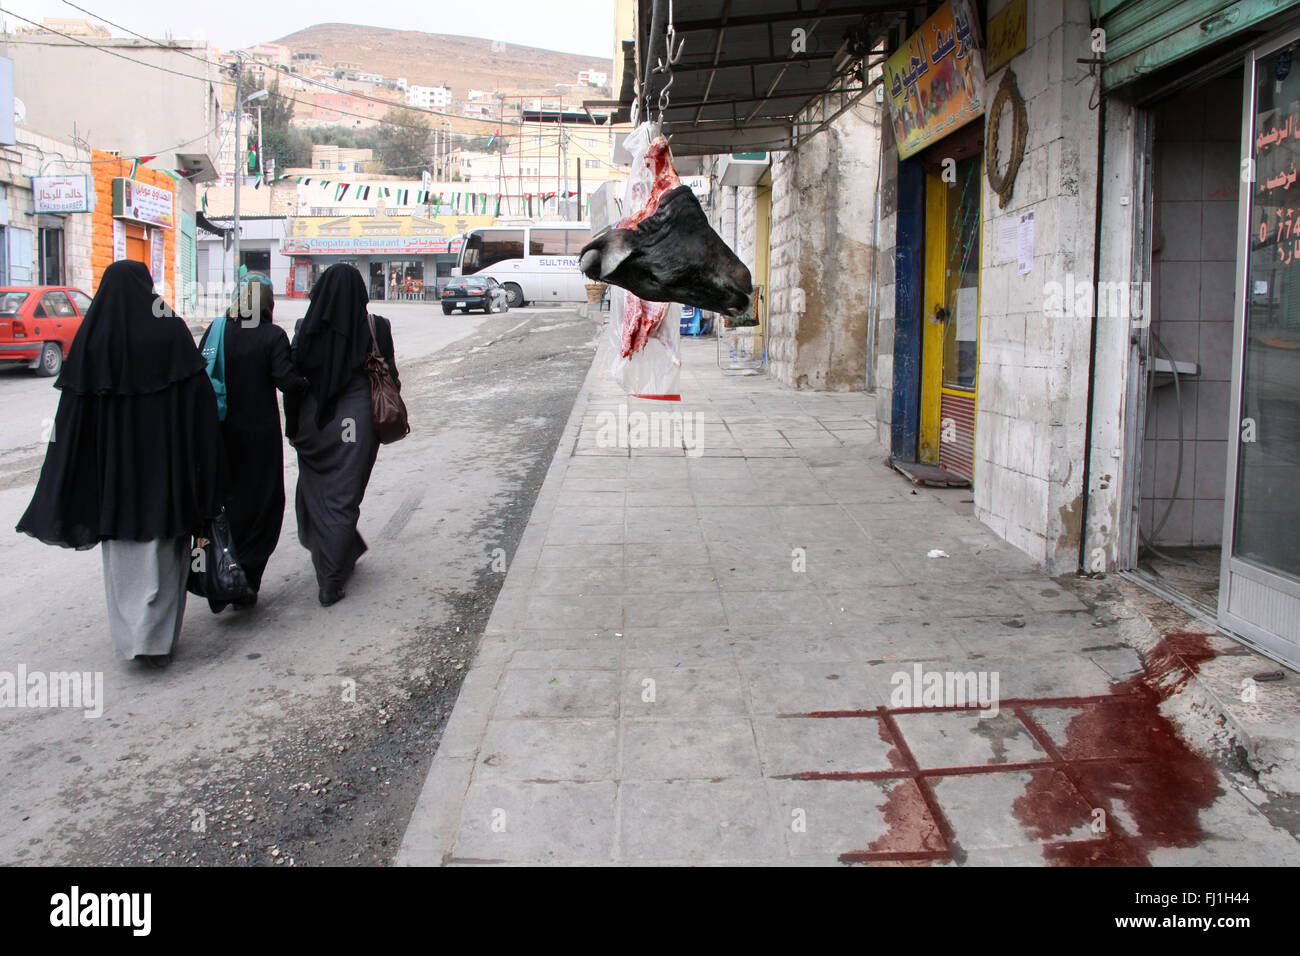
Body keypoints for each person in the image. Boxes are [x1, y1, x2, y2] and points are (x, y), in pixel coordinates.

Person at [15, 260, 223, 668]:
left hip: (116, 479)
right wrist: (207, 468)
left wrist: (74, 475)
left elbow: (72, 419)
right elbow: (202, 405)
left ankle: (133, 639)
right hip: (167, 472)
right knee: (164, 553)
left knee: (124, 560)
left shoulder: (94, 340)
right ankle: (157, 639)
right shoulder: (170, 332)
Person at [286, 263, 399, 606]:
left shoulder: (305, 327)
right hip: (357, 423)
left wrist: (293, 428)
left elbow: (292, 383)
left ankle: (335, 558)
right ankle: (331, 580)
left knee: (316, 493)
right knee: (343, 499)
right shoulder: (377, 326)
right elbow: (392, 378)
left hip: (314, 422)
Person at [198, 273, 307, 605]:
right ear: (267, 301)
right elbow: (288, 382)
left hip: (220, 435)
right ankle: (246, 576)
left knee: (226, 504)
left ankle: (221, 573)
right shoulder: (272, 335)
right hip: (259, 439)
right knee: (262, 505)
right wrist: (309, 383)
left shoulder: (217, 330)